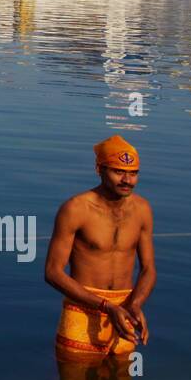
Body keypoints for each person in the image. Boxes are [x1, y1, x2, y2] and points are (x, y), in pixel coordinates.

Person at [44, 135, 155, 362]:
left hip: (124, 313)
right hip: (82, 314)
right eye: (118, 172)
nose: (127, 180)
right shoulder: (76, 209)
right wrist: (106, 306)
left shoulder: (142, 209)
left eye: (133, 173)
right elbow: (53, 272)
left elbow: (148, 269)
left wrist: (135, 304)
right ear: (99, 169)